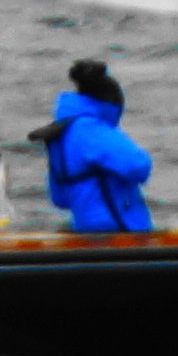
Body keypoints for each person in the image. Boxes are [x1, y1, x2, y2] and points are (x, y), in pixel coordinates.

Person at [33, 57, 153, 234]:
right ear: (111, 100)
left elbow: (60, 198)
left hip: (85, 230)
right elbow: (139, 165)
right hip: (118, 231)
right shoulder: (91, 129)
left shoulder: (62, 132)